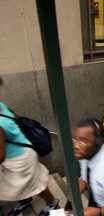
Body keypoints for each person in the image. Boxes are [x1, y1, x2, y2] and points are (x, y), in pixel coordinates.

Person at [0, 77, 59, 216]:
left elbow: (0, 156)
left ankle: (52, 203)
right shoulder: (1, 105)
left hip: (20, 159)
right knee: (25, 184)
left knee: (36, 183)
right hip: (24, 151)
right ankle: (26, 200)